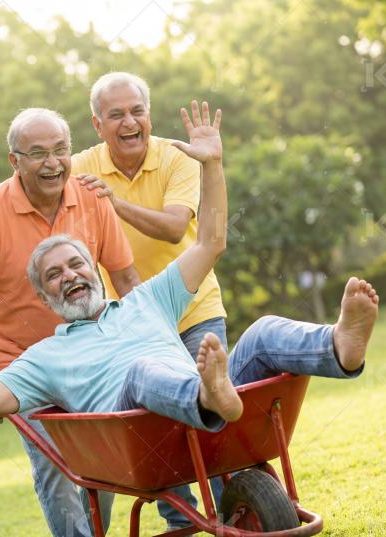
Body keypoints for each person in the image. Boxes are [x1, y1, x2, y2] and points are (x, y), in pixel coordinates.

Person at [0, 101, 379, 527]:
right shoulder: (45, 354)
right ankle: (207, 396)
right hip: (142, 428)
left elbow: (209, 242)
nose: (70, 274)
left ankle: (338, 347)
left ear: (92, 267)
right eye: (53, 276)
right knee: (110, 410)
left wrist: (213, 165)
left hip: (197, 413)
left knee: (258, 333)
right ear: (44, 300)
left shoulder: (144, 300)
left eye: (76, 264)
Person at [0, 107, 141, 536]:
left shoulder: (92, 197)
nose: (53, 163)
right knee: (54, 464)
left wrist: (147, 337)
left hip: (86, 351)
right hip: (21, 362)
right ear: (14, 161)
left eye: (60, 150)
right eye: (38, 153)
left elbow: (126, 277)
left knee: (101, 458)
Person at [71, 71, 231, 528]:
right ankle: (179, 519)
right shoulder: (80, 165)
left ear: (149, 115)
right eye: (116, 114)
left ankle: (236, 502)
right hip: (130, 319)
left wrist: (113, 203)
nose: (129, 122)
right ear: (97, 123)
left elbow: (175, 227)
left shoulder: (177, 157)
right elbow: (37, 182)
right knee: (153, 421)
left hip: (192, 308)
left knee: (213, 410)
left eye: (137, 111)